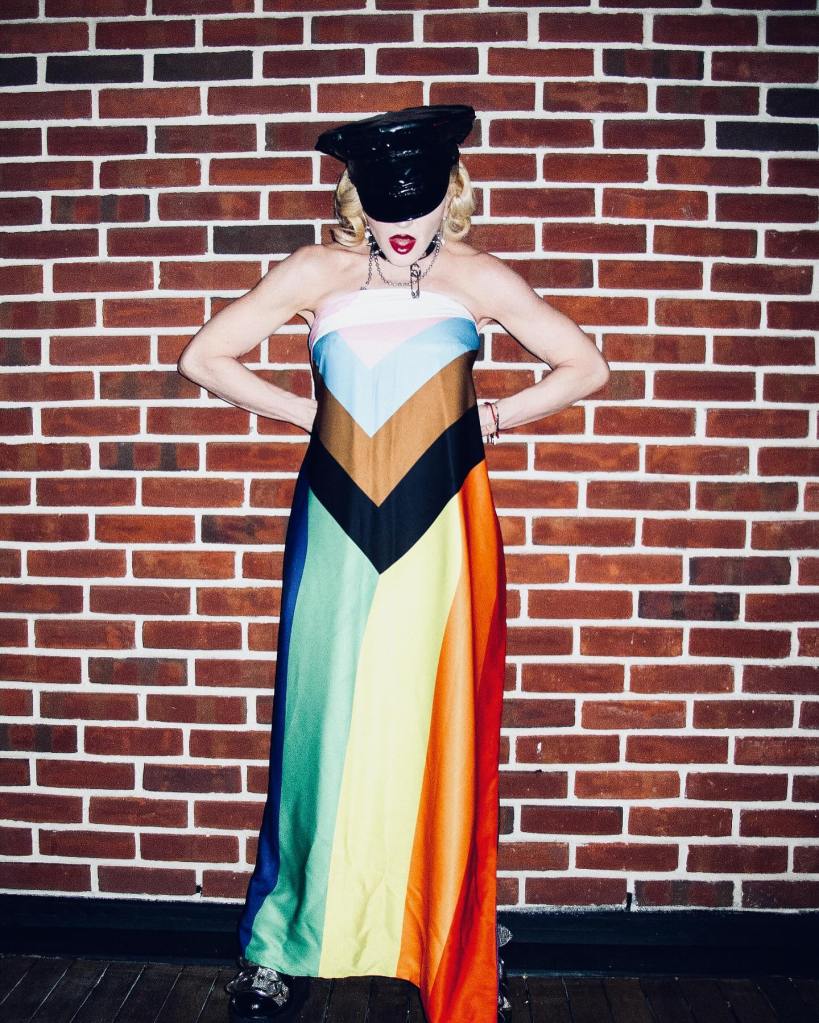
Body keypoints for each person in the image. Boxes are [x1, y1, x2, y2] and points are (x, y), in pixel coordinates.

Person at [177, 104, 610, 1023]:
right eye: (382, 205)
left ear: (450, 191)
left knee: (435, 720)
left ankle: (446, 939)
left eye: (417, 202)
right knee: (320, 723)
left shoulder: (478, 276)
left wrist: (490, 419)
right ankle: (281, 945)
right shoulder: (315, 271)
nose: (400, 222)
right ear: (355, 197)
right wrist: (312, 416)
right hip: (337, 520)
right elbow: (206, 358)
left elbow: (584, 367)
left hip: (441, 523)